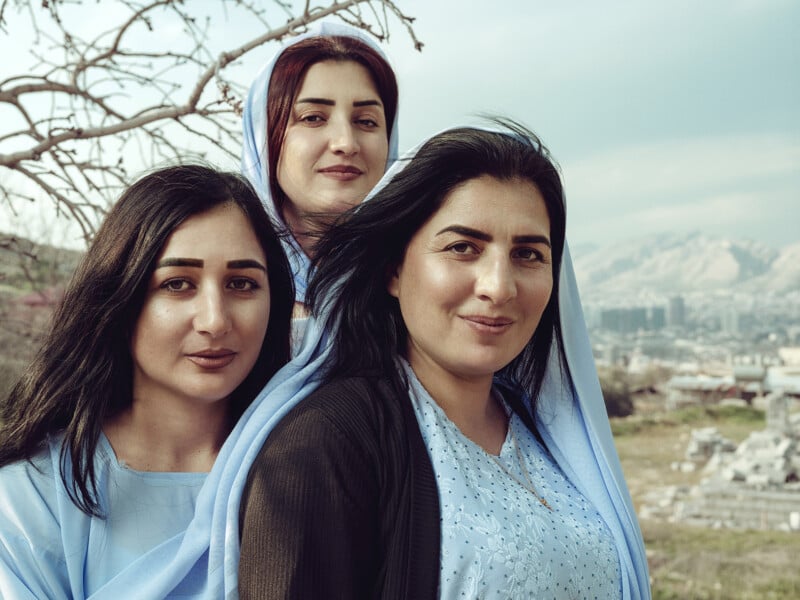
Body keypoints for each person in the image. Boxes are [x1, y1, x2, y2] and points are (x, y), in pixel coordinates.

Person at [237, 122, 652, 599]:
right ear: (394, 267)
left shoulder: (551, 434)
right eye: (462, 248)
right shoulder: (327, 443)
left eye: (528, 254)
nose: (498, 286)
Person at [0, 164, 294, 599]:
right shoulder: (31, 496)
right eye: (177, 284)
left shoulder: (308, 470)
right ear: (119, 297)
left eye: (242, 283)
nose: (215, 320)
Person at [240, 21, 399, 320]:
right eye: (313, 118)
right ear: (264, 137)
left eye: (366, 121)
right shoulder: (223, 278)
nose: (346, 143)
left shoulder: (415, 279)